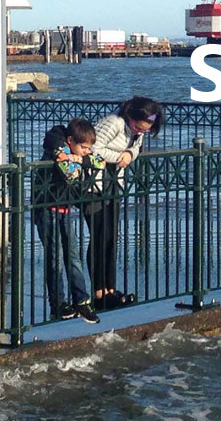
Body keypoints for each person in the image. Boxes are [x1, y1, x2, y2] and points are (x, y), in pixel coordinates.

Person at [82, 96, 164, 310]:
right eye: (139, 127)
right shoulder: (114, 123)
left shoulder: (137, 132)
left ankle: (110, 289)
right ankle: (97, 292)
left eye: (146, 130)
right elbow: (92, 148)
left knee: (111, 237)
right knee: (99, 236)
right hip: (94, 185)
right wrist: (119, 157)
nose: (141, 132)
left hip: (112, 184)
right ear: (130, 116)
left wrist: (129, 154)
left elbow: (136, 148)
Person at [34, 119, 102, 324]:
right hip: (46, 208)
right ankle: (58, 303)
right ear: (70, 140)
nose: (86, 151)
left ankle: (81, 300)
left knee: (73, 256)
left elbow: (100, 161)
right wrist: (74, 160)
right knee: (55, 258)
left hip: (64, 208)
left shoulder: (72, 150)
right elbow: (69, 175)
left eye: (88, 148)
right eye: (83, 147)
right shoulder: (55, 144)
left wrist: (78, 158)